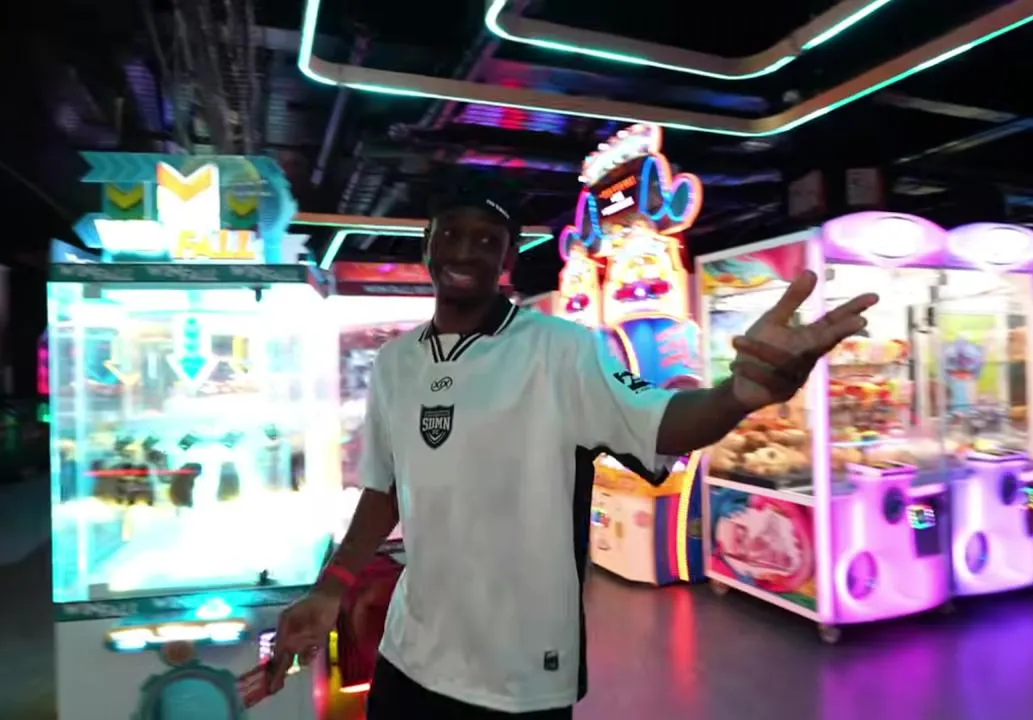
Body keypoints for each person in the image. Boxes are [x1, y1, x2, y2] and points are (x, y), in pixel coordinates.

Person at [270, 181, 878, 718]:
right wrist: (332, 587)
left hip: (519, 674)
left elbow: (665, 422)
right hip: (409, 652)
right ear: (427, 244)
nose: (464, 251)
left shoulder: (563, 351)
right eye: (450, 234)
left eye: (486, 240)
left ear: (508, 257)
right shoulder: (395, 363)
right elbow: (384, 488)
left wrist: (741, 393)